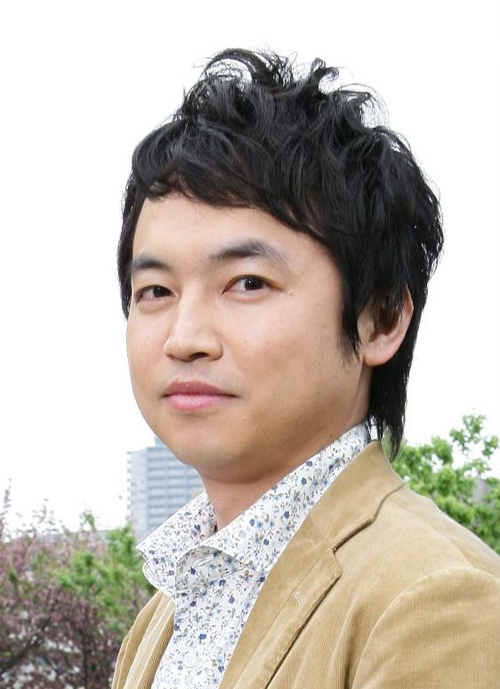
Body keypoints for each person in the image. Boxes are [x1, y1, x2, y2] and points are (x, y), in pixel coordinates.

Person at [112, 49, 500, 688]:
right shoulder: (165, 613)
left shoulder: (434, 601)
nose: (185, 339)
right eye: (155, 291)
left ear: (379, 320)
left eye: (247, 282)